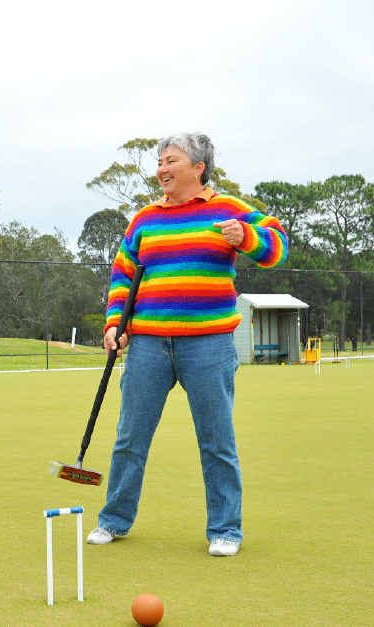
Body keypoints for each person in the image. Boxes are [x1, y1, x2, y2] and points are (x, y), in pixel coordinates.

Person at [86, 133, 288, 557]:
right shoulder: (144, 219)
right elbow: (123, 276)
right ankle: (114, 520)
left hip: (209, 345)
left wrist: (246, 237)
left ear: (198, 167)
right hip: (147, 346)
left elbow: (277, 247)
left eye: (171, 160)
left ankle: (225, 530)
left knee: (217, 440)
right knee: (130, 438)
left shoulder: (228, 209)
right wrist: (112, 325)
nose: (162, 168)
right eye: (160, 161)